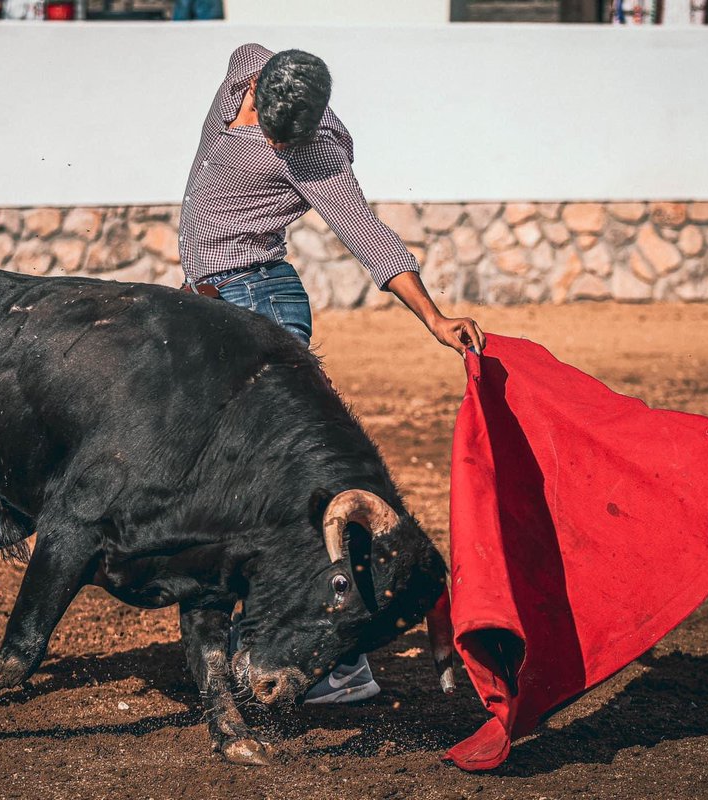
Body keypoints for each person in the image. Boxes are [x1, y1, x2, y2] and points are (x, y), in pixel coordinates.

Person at [178, 44, 486, 704]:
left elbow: (366, 232)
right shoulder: (244, 68)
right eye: (278, 136)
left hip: (258, 304)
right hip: (214, 305)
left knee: (284, 474)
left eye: (300, 137)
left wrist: (432, 318)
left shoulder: (315, 151)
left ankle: (341, 661)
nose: (288, 145)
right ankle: (269, 626)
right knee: (228, 473)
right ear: (256, 92)